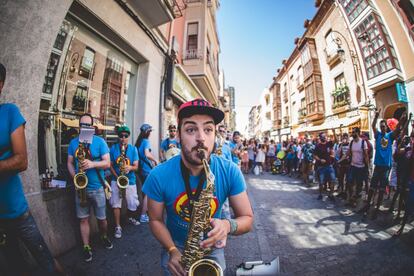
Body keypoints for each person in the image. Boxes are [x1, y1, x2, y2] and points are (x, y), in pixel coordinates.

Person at [143, 99, 253, 275]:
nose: (201, 137)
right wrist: (172, 250)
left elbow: (247, 218)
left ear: (215, 135)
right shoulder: (158, 175)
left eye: (208, 129)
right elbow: (155, 220)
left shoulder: (230, 171)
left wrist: (227, 225)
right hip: (175, 245)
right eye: (191, 129)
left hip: (211, 246)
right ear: (178, 135)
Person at [0, 63, 64, 275]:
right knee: (14, 265)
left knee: (46, 261)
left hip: (16, 211)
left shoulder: (9, 112)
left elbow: (21, 161)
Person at [67, 113, 113, 262]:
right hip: (80, 188)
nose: (85, 128)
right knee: (83, 220)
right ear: (79, 126)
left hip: (98, 188)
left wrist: (92, 164)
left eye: (88, 125)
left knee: (102, 219)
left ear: (92, 127)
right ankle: (87, 246)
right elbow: (69, 162)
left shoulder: (100, 142)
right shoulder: (73, 143)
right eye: (82, 125)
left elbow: (107, 163)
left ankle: (104, 236)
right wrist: (75, 177)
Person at [359, 109, 406, 218]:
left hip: (386, 167)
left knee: (381, 189)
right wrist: (376, 116)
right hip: (378, 165)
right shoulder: (378, 135)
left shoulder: (390, 136)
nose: (382, 128)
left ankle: (377, 208)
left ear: (387, 127)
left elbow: (398, 128)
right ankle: (367, 205)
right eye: (381, 126)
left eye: (384, 126)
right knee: (372, 187)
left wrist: (403, 119)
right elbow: (373, 126)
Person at [109, 125, 140, 238]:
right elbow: (110, 165)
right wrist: (116, 176)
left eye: (125, 136)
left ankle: (130, 216)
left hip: (130, 180)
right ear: (119, 137)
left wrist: (129, 168)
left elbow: (136, 166)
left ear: (128, 137)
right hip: (116, 179)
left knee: (133, 203)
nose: (123, 138)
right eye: (121, 136)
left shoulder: (133, 149)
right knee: (115, 203)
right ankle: (118, 226)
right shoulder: (113, 148)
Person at [135, 123, 158, 223]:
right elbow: (147, 154)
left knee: (145, 192)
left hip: (141, 170)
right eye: (150, 131)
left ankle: (145, 212)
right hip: (146, 170)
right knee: (148, 193)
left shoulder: (139, 142)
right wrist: (155, 160)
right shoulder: (145, 141)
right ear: (147, 132)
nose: (151, 133)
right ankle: (143, 215)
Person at [346, 128, 369, 206]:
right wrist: (340, 160)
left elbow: (366, 156)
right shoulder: (351, 142)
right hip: (353, 166)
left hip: (361, 167)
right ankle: (351, 199)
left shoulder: (363, 142)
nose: (352, 134)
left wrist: (368, 167)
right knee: (349, 182)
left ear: (358, 133)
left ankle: (355, 199)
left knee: (359, 185)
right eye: (352, 132)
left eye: (354, 132)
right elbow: (347, 153)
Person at [313, 132, 337, 201]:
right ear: (320, 138)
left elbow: (336, 140)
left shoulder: (328, 144)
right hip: (321, 167)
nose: (325, 137)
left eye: (325, 136)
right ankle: (320, 194)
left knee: (333, 180)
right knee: (321, 182)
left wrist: (334, 132)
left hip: (329, 166)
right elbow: (314, 155)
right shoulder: (318, 146)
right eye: (323, 136)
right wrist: (320, 160)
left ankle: (331, 194)